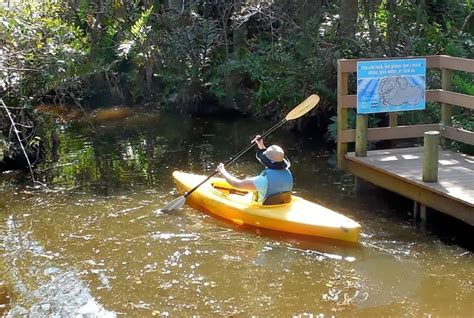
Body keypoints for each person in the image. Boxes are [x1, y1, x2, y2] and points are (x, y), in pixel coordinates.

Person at [216, 135, 293, 205]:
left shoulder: (262, 181)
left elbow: (236, 184)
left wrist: (222, 171)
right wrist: (261, 145)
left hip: (264, 210)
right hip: (281, 204)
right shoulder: (287, 173)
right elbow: (272, 159)